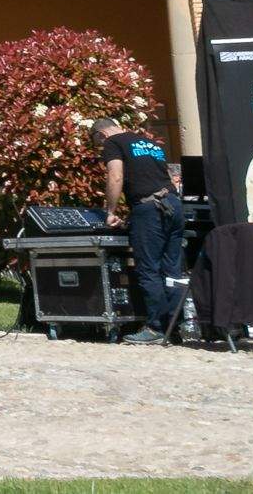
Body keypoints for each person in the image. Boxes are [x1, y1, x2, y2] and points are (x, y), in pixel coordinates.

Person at [93, 117, 183, 343]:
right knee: (172, 270)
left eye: (96, 143)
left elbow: (116, 175)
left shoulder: (113, 143)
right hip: (173, 204)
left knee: (148, 269)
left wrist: (111, 211)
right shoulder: (149, 143)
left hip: (150, 208)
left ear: (101, 134)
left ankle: (155, 329)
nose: (100, 148)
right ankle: (175, 327)